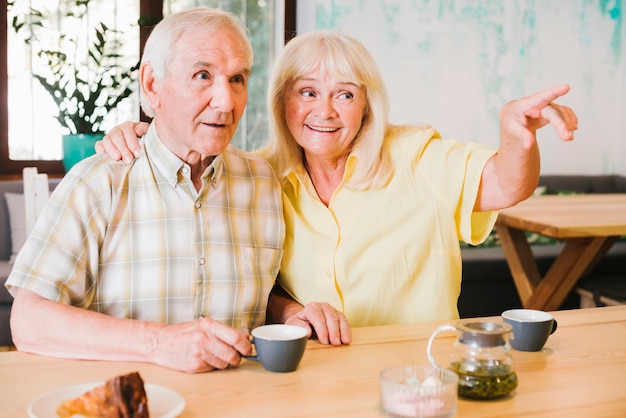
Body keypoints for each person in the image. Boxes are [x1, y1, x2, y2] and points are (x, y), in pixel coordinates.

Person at [97, 31, 578, 344]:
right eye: (307, 92)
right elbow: (237, 277)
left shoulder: (416, 154)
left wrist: (518, 136)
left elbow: (504, 184)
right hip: (313, 379)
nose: (324, 112)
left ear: (366, 106)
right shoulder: (257, 177)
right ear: (283, 101)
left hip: (423, 372)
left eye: (344, 95)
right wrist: (141, 132)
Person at [5, 8, 289, 373]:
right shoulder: (96, 183)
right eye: (203, 75)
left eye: (237, 79)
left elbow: (267, 295)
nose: (226, 102)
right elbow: (28, 322)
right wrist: (159, 343)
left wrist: (293, 311)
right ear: (152, 85)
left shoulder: (264, 183)